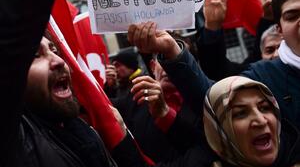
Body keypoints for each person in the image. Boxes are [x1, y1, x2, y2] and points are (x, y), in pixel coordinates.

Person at [126, 0, 300, 129]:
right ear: (279, 28)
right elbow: (214, 100)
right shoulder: (264, 76)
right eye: (292, 16)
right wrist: (172, 50)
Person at [0, 0, 117, 167]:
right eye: (35, 55)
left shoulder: (84, 135)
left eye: (54, 50)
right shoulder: (15, 140)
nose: (58, 61)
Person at [112, 76, 300, 166]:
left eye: (265, 108)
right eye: (240, 114)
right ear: (220, 127)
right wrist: (116, 131)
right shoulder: (201, 161)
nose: (260, 120)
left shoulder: (294, 151)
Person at [196, 0, 286, 81]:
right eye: (269, 50)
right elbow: (217, 70)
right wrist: (212, 25)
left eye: (283, 47)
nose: (276, 55)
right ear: (260, 56)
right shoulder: (253, 77)